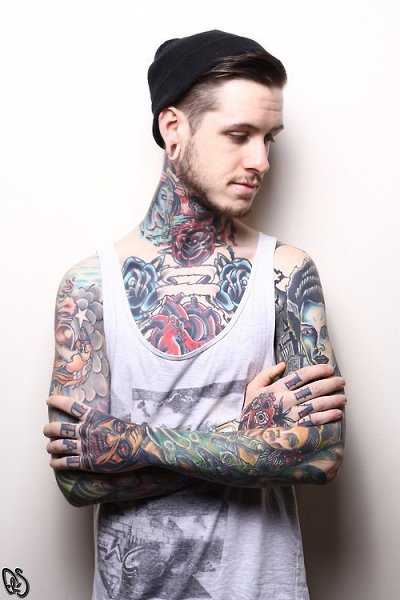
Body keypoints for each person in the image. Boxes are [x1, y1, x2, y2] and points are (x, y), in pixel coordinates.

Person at [43, 30, 346, 600]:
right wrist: (246, 435)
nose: (261, 161)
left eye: (269, 139)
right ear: (173, 128)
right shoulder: (88, 287)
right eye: (239, 135)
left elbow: (319, 457)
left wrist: (132, 444)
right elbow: (78, 482)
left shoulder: (285, 273)